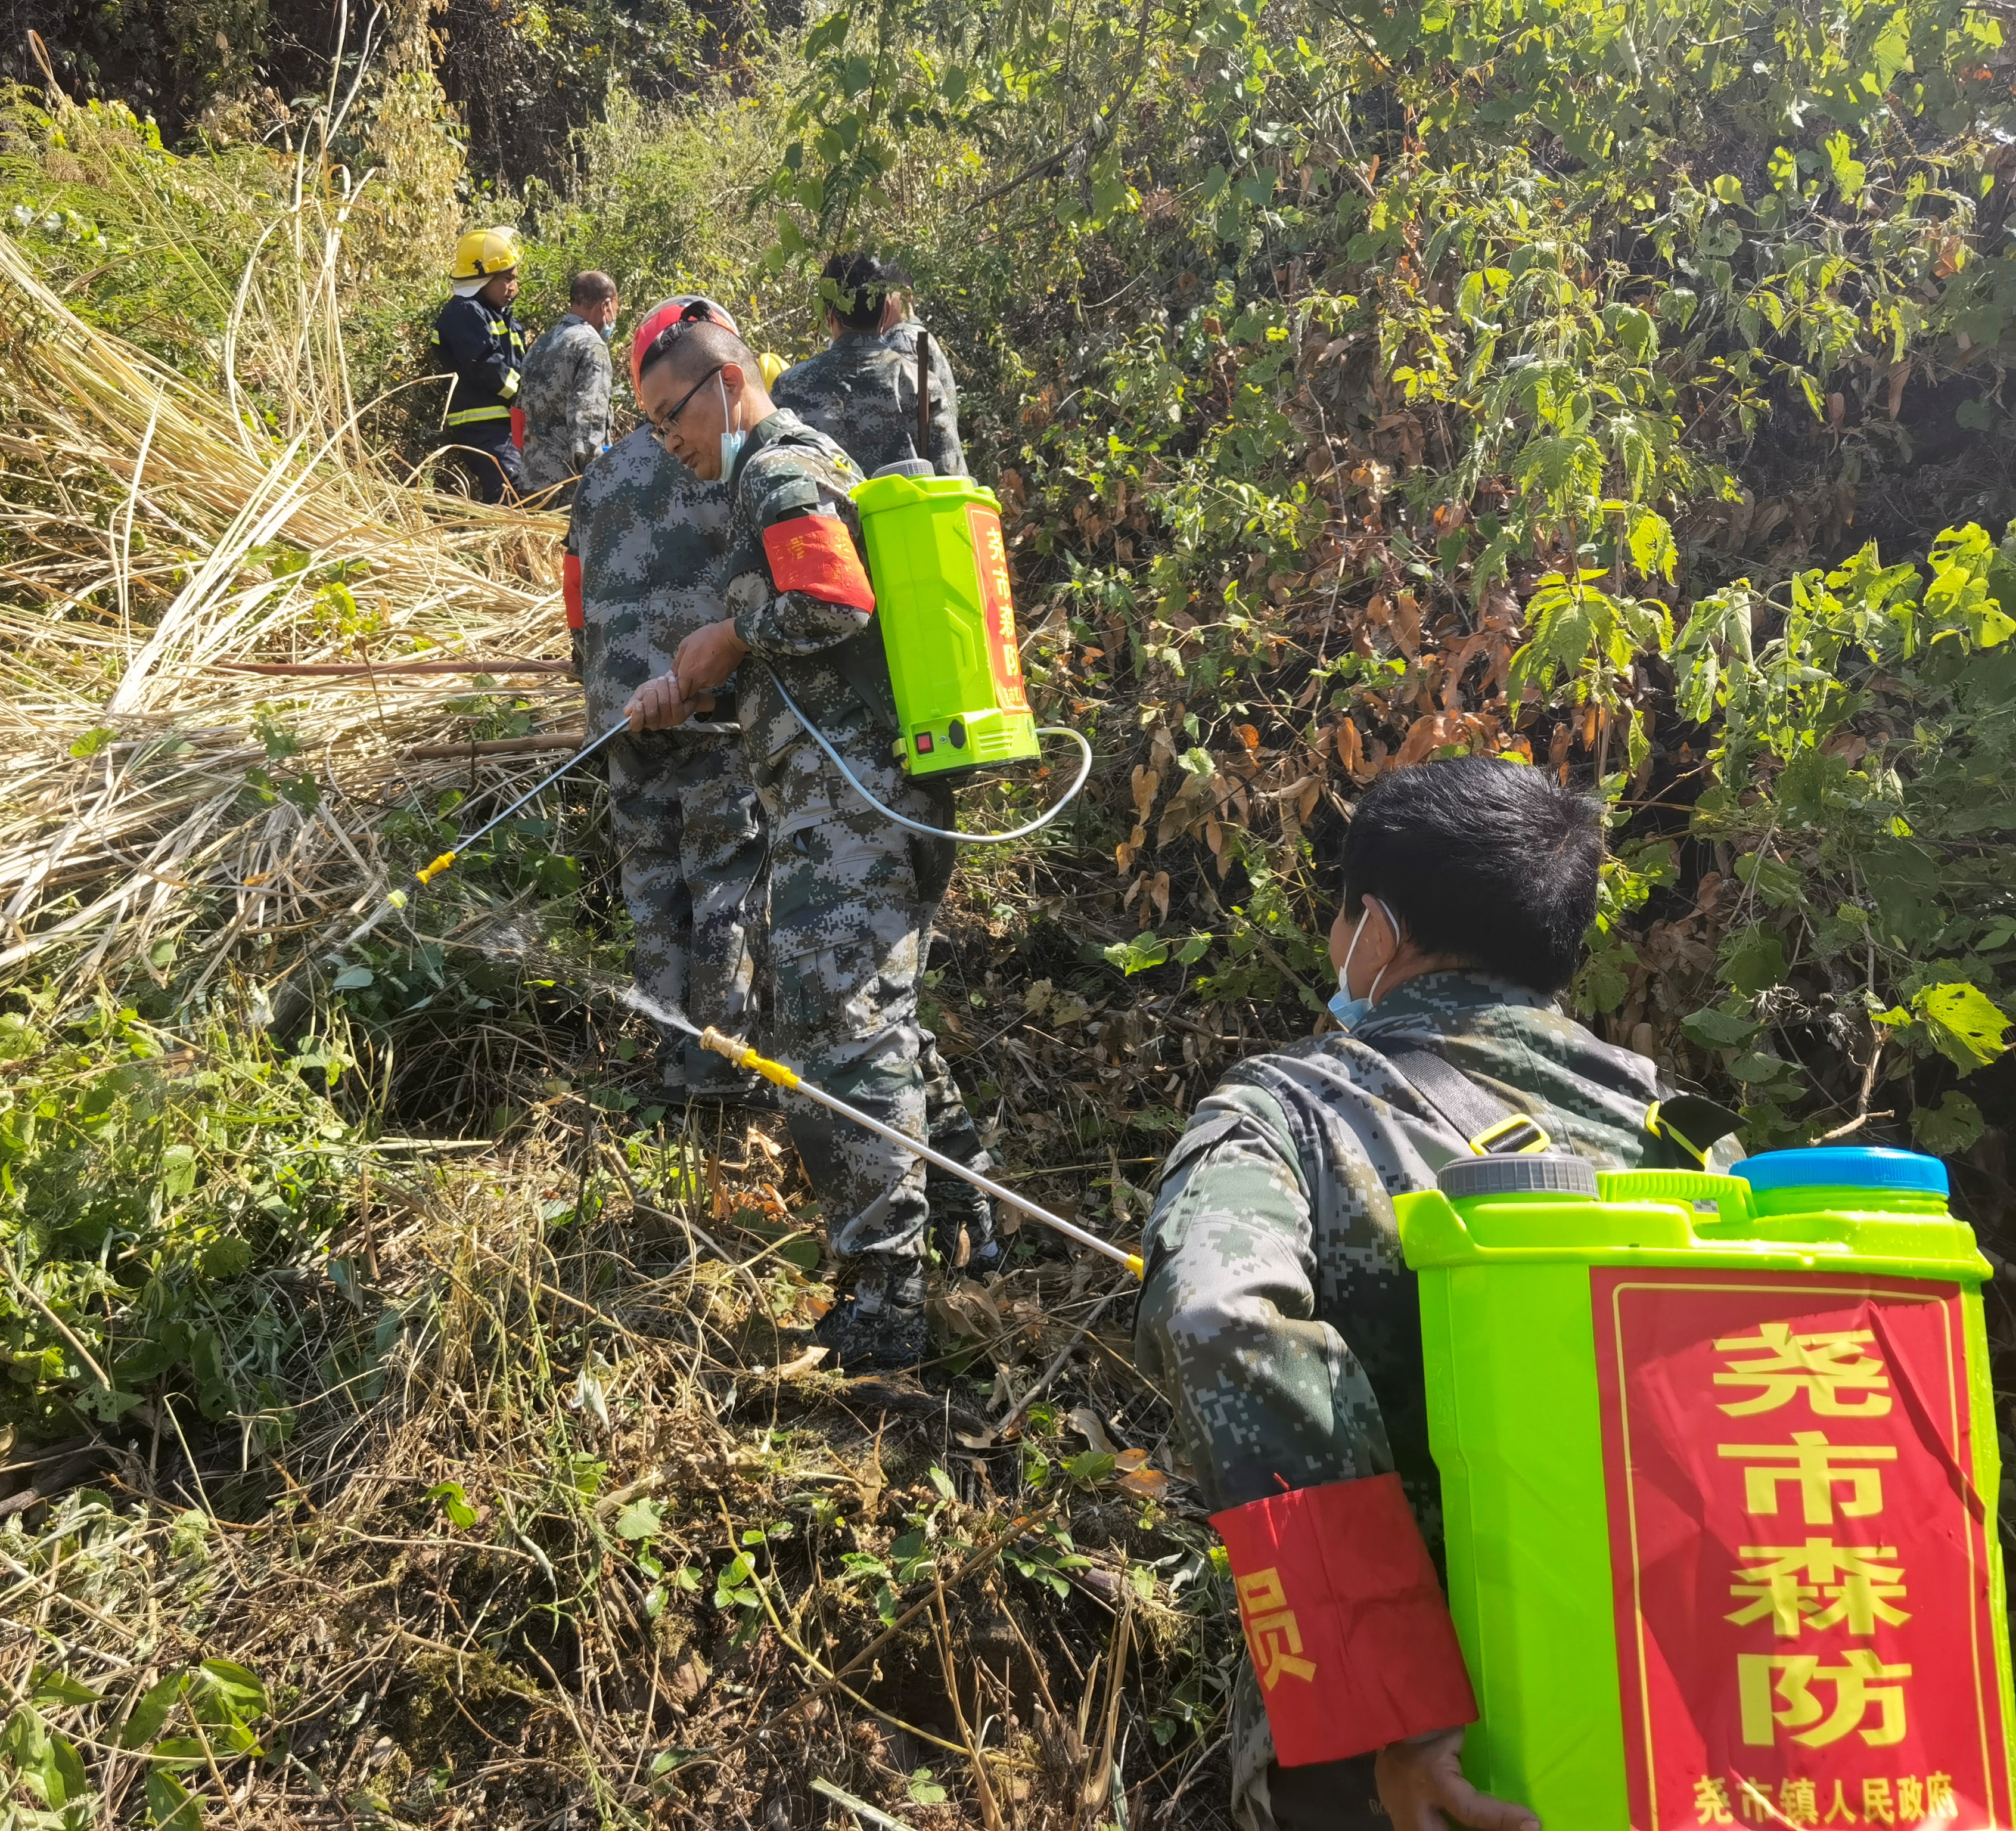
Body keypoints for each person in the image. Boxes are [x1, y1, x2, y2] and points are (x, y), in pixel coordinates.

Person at [1133, 756, 1740, 1831]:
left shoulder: (1290, 1109)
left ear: (1375, 925)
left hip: (1407, 1766)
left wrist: (1386, 1711)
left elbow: (1219, 1316)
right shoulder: (1685, 1135)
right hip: (1674, 1718)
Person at [623, 312, 998, 1370]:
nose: (670, 444)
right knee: (881, 1018)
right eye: (650, 428)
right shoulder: (809, 460)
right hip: (865, 793)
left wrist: (729, 633)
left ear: (729, 381)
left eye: (673, 415)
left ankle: (885, 1300)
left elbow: (831, 602)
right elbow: (815, 640)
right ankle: (970, 1210)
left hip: (855, 806)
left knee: (837, 1033)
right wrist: (695, 679)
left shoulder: (777, 467)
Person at [567, 296, 764, 1104]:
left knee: (652, 889)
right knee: (724, 883)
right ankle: (723, 1075)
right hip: (710, 711)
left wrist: (598, 691)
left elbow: (576, 600)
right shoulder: (728, 459)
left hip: (621, 711)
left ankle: (672, 1069)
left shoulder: (601, 475)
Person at [771, 253, 965, 479]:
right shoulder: (922, 384)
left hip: (825, 514)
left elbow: (773, 472)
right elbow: (952, 477)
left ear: (828, 316)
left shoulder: (789, 386)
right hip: (906, 513)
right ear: (884, 312)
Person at [430, 226, 529, 502]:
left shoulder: (496, 314)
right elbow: (487, 366)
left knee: (523, 489)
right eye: (507, 279)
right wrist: (526, 397)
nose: (514, 288)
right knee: (511, 490)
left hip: (505, 423)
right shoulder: (464, 313)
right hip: (481, 424)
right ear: (483, 277)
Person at [518, 271, 620, 505]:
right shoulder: (592, 346)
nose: (614, 319)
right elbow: (588, 422)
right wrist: (602, 483)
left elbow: (520, 415)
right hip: (571, 489)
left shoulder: (541, 344)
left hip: (534, 483)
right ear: (606, 306)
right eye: (615, 311)